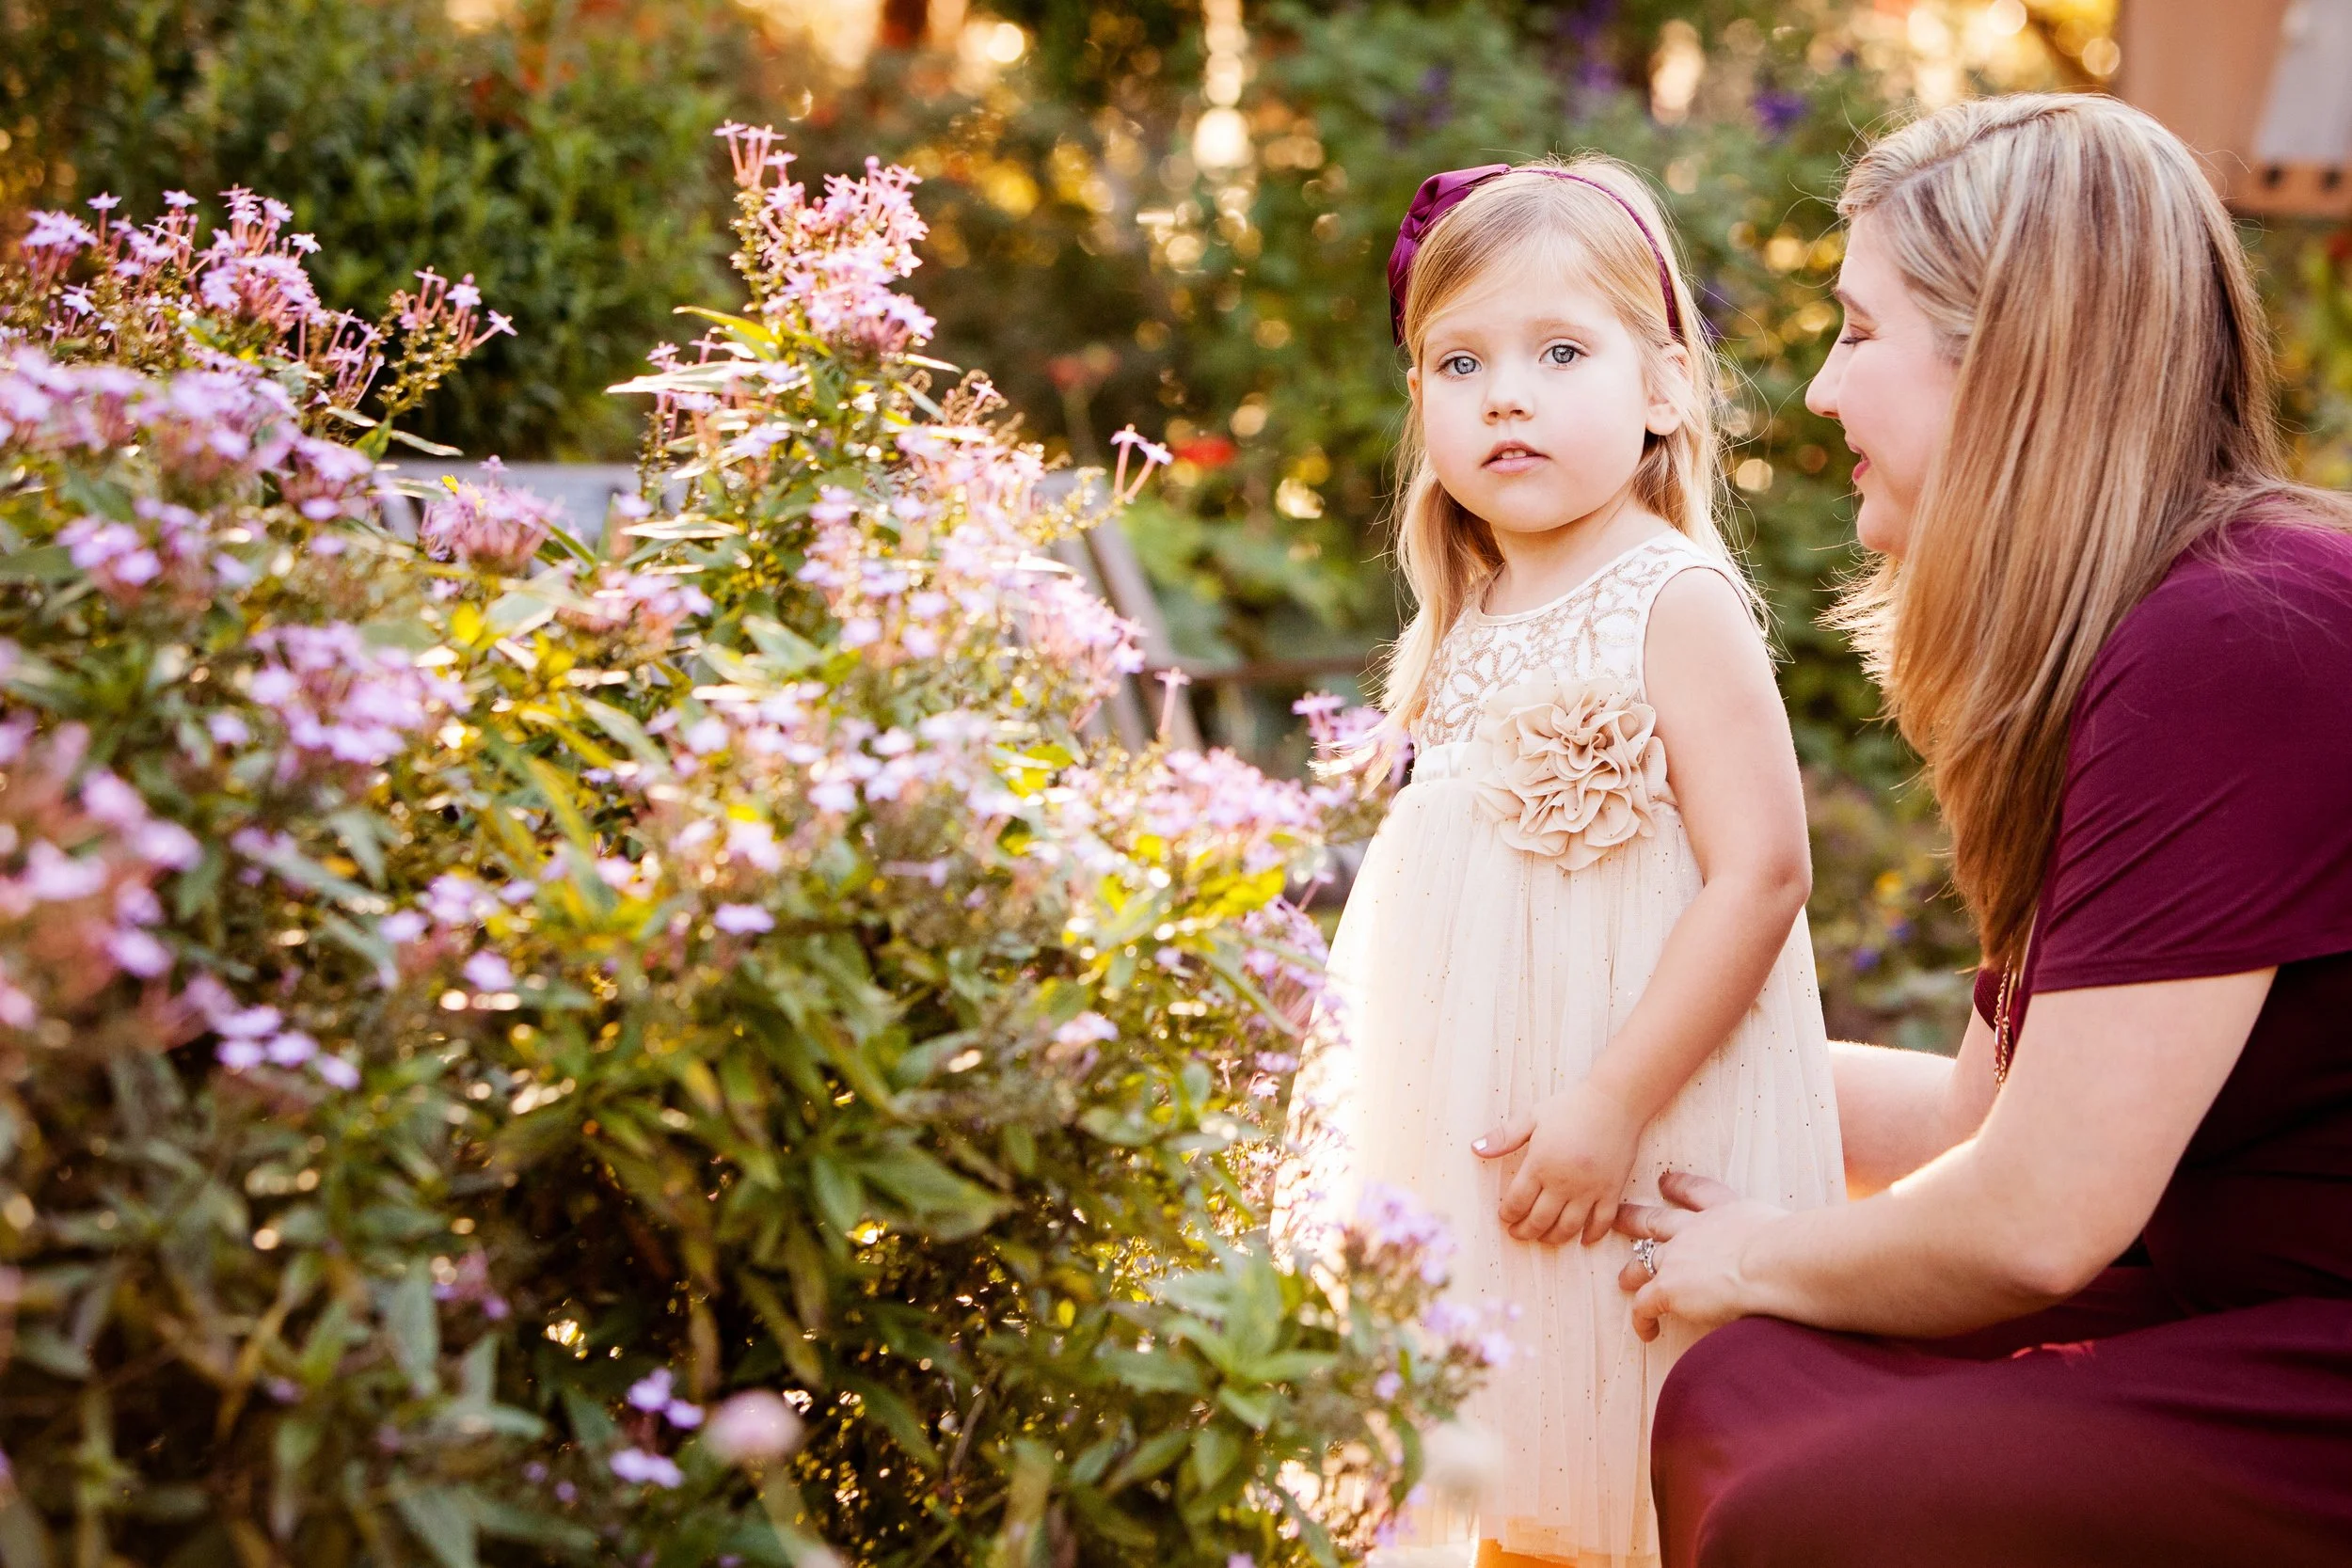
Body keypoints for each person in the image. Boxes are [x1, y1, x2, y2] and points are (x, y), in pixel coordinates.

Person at [1613, 93, 2352, 1567]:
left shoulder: (2243, 634)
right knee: (1749, 1385)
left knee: (1820, 1502)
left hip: (2311, 1333)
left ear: (2011, 355)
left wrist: (1753, 1250)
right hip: (2246, 1295)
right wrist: (1608, 1057)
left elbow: (2037, 1216)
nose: (1821, 390)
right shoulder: (2137, 627)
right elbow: (1982, 1129)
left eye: (1860, 330)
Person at [1288, 158, 1843, 1568]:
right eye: (1457, 361)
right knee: (1491, 1431)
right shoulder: (1469, 614)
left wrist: (1610, 1102)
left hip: (1624, 1095)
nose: (1504, 395)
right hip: (1477, 1104)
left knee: (1615, 1430)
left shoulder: (1673, 596)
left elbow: (1763, 874)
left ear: (1662, 386)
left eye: (1557, 352)